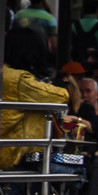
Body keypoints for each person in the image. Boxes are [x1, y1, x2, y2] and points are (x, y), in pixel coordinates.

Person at [0, 27, 69, 171]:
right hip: (15, 156)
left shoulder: (5, 73)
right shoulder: (18, 79)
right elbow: (59, 96)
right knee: (79, 172)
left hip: (11, 151)